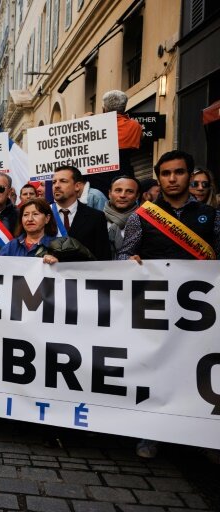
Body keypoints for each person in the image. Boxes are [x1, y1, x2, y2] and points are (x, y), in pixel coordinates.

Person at [117, 150, 220, 459]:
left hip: (199, 310)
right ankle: (149, 434)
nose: (172, 179)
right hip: (155, 306)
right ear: (158, 178)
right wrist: (128, 260)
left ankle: (202, 433)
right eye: (165, 174)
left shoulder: (211, 216)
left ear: (190, 176)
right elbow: (123, 254)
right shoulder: (142, 216)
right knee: (155, 369)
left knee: (197, 371)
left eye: (178, 172)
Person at [51, 165, 111, 260]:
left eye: (63, 181)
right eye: (54, 182)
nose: (56, 185)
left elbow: (103, 257)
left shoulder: (95, 217)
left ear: (77, 186)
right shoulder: (44, 215)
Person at [87, 90, 142, 193]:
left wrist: (86, 121)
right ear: (124, 108)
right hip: (123, 176)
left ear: (104, 109)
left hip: (96, 178)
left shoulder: (93, 125)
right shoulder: (135, 126)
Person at [0, 198, 59, 263]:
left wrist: (57, 265)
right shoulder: (12, 246)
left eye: (35, 214)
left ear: (47, 218)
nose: (30, 219)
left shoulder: (58, 247)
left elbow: (67, 271)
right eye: (26, 215)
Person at [104, 176, 140, 257]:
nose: (123, 195)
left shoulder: (144, 221)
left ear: (137, 196)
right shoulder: (95, 219)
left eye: (129, 191)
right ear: (109, 193)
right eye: (118, 190)